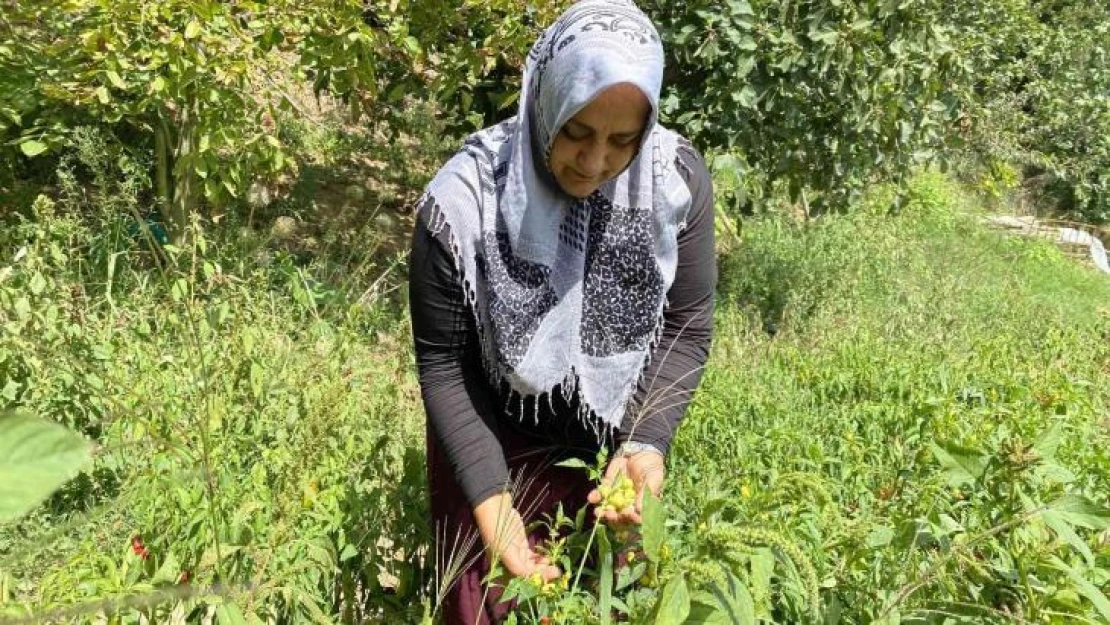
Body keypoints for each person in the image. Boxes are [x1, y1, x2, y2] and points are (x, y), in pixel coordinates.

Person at [408, 1, 716, 622]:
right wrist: (492, 502)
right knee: (488, 599)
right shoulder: (462, 205)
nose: (596, 162)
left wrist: (646, 442)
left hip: (609, 440)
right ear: (546, 100)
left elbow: (686, 326)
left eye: (623, 140)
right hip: (488, 432)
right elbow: (443, 366)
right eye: (576, 131)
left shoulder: (673, 183)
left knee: (601, 599)